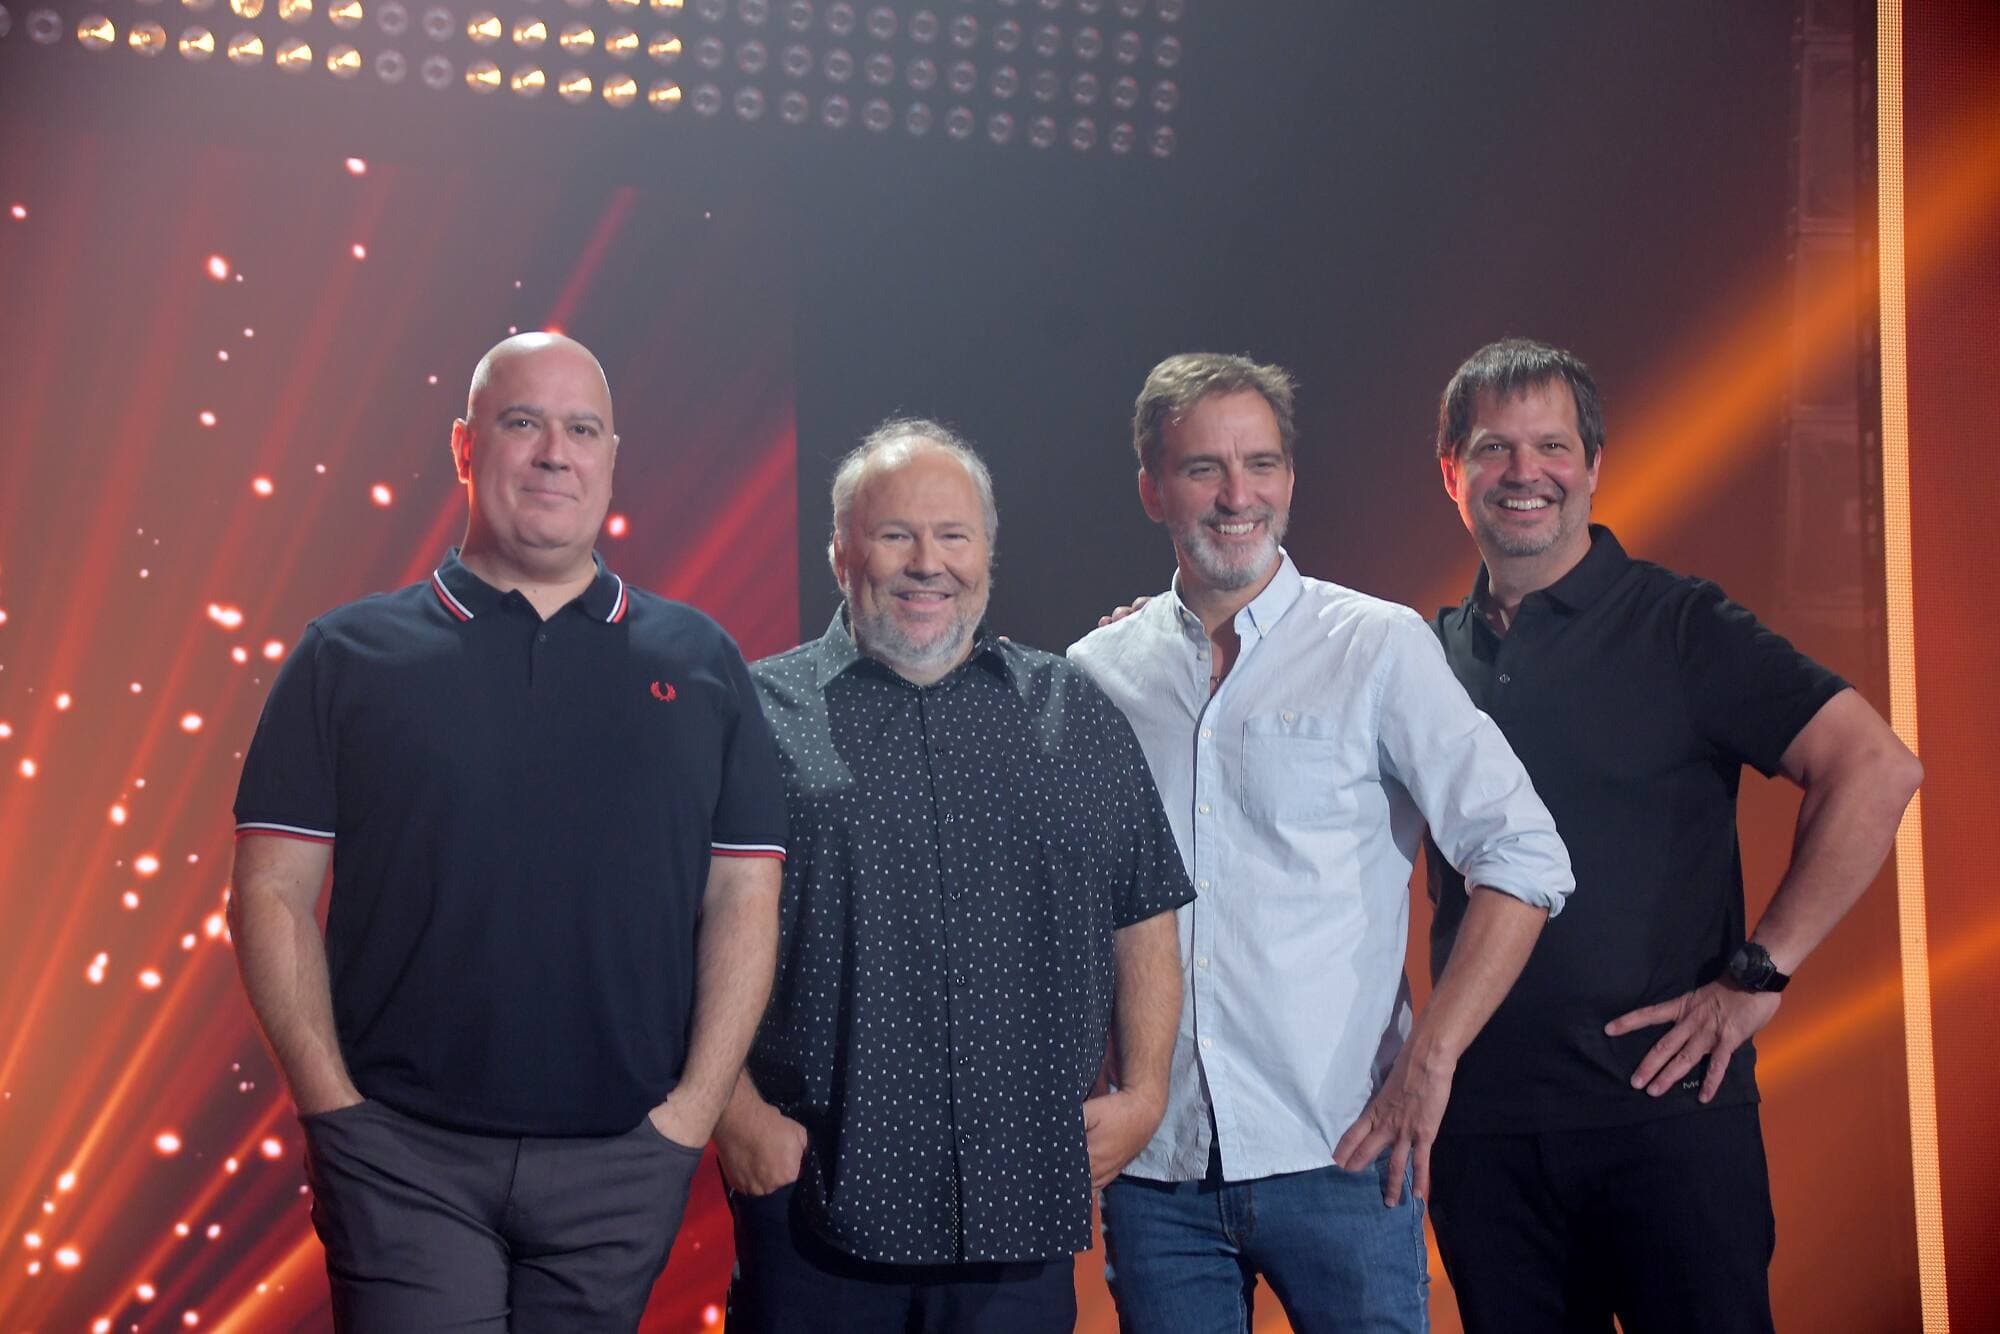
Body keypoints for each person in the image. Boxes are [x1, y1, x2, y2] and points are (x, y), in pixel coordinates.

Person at [227, 332, 787, 1331]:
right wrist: (331, 1108)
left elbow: (743, 897)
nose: (552, 452)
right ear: (463, 446)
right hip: (401, 1153)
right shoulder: (345, 654)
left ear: (611, 456)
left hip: (623, 1156)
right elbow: (270, 891)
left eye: (581, 428)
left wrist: (688, 1117)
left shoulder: (700, 660)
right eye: (522, 421)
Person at [1068, 353, 1575, 1334]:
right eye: (1201, 468)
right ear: (1150, 486)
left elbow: (1522, 855)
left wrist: (1430, 1058)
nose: (1234, 495)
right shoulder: (1096, 673)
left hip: (1344, 1152)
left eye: (1258, 463)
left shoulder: (1376, 646)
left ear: (1289, 479)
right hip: (1156, 1169)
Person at [1424, 337, 1923, 1333]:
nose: (1523, 472)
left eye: (1550, 445)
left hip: (1663, 1121)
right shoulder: (1421, 657)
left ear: (1592, 465)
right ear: (1452, 473)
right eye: (1492, 448)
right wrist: (1186, 628)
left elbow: (1876, 766)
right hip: (1484, 1136)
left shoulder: (1677, 624)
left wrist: (1757, 973)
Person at [714, 419, 1192, 1333]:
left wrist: (1144, 1094)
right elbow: (683, 928)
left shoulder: (1071, 709)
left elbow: (1144, 909)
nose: (927, 562)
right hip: (816, 1205)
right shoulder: (759, 714)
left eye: (953, 536)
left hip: (1018, 1217)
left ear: (987, 554)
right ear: (841, 551)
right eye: (896, 534)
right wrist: (731, 1114)